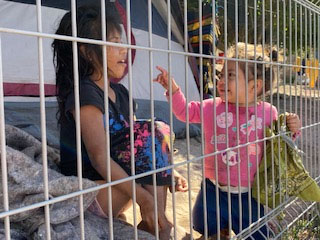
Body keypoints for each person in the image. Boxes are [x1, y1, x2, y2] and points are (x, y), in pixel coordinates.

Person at [52, 5, 187, 239]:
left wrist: (165, 170)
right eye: (114, 42)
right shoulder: (85, 94)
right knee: (153, 131)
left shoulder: (120, 92)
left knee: (154, 130)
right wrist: (144, 198)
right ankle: (158, 223)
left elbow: (136, 145)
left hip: (116, 188)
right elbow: (100, 157)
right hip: (90, 194)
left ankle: (156, 223)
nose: (125, 49)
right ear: (86, 52)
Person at [154, 43, 301, 239]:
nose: (221, 80)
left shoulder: (268, 113)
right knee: (202, 223)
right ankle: (221, 231)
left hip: (249, 195)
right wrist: (173, 90)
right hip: (213, 188)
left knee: (256, 234)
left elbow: (280, 143)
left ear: (254, 85)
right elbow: (185, 112)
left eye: (230, 75)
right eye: (221, 74)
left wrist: (292, 128)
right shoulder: (211, 107)